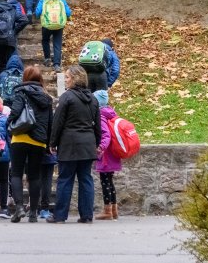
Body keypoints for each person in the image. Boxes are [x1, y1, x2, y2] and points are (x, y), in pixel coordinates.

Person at [47, 66, 101, 224]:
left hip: (69, 143)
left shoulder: (67, 97)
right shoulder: (93, 99)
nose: (66, 80)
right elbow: (98, 125)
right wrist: (96, 143)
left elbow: (58, 122)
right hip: (87, 144)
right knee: (86, 179)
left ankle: (60, 215)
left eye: (68, 77)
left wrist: (53, 142)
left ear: (76, 79)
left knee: (65, 179)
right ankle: (87, 215)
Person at [7, 65, 54, 223]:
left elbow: (15, 112)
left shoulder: (21, 92)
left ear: (25, 78)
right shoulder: (47, 97)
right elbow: (50, 122)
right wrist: (48, 142)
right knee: (34, 176)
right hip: (39, 141)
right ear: (40, 78)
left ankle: (19, 208)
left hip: (20, 137)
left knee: (16, 173)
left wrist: (8, 124)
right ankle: (33, 212)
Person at [93, 90, 123, 221]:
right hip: (112, 152)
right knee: (109, 181)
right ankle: (114, 210)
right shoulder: (110, 112)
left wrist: (100, 147)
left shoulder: (100, 115)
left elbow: (106, 134)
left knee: (105, 181)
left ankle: (107, 211)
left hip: (105, 154)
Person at [34, 0, 72, 72]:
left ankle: (47, 59)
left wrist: (39, 16)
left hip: (47, 25)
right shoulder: (61, 0)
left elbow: (37, 13)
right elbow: (68, 12)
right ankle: (56, 64)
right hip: (59, 25)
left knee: (45, 40)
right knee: (57, 43)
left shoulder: (43, 0)